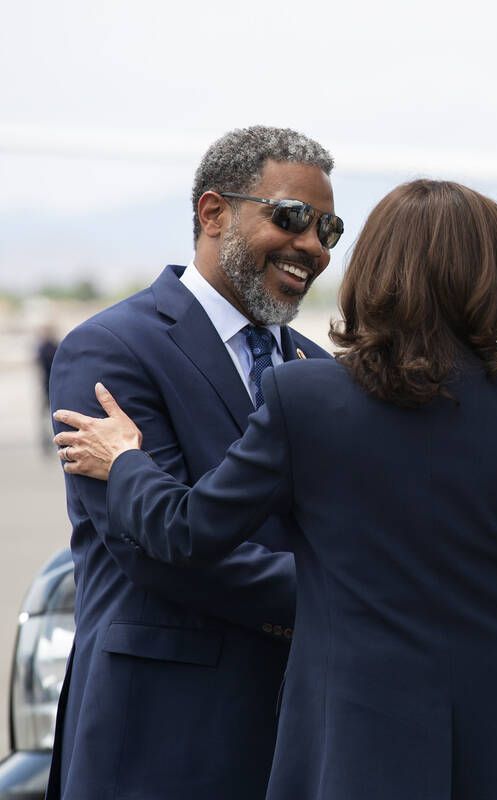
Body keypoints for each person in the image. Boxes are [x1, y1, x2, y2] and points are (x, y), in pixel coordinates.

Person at [54, 179, 497, 800]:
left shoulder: (307, 398)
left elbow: (187, 531)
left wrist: (127, 462)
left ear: (373, 272)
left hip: (362, 737)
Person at [46, 125, 338, 800]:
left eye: (329, 228)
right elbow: (151, 546)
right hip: (159, 734)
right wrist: (338, 597)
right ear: (213, 213)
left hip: (300, 739)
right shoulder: (111, 350)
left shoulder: (319, 372)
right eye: (292, 218)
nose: (313, 248)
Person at [35, 323, 58, 453]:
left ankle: (46, 442)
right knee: (51, 417)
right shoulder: (56, 346)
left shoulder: (43, 347)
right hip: (52, 387)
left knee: (45, 417)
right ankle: (50, 441)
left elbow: (39, 364)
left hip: (46, 386)